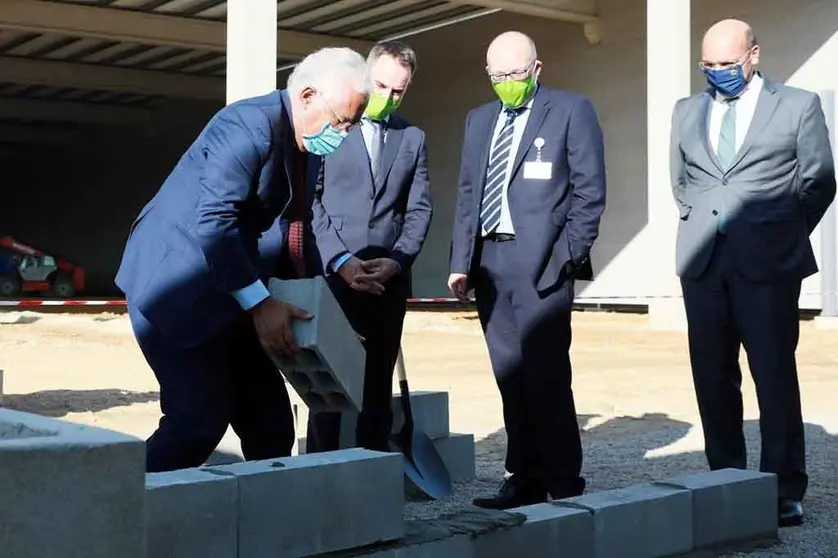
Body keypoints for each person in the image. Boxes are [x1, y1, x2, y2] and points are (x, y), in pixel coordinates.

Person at [114, 47, 372, 473]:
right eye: (341, 120)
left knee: (270, 422)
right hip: (176, 285)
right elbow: (214, 222)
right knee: (196, 421)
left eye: (352, 124)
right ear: (306, 96)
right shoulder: (247, 126)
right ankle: (112, 516)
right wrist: (260, 303)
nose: (343, 133)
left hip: (235, 290)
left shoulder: (309, 149)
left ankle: (268, 530)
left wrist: (329, 322)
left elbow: (296, 234)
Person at [670, 19, 836, 527]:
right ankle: (727, 478)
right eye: (708, 65)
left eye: (727, 63)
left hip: (769, 266)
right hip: (704, 267)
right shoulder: (686, 110)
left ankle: (784, 487)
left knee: (773, 378)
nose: (717, 73)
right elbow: (683, 183)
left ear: (754, 55)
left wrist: (777, 233)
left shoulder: (798, 106)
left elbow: (820, 181)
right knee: (713, 379)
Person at [447, 31, 606, 509]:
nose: (506, 83)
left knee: (548, 375)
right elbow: (469, 193)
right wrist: (461, 262)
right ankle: (524, 476)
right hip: (490, 264)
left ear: (536, 69)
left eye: (514, 74)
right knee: (509, 375)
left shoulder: (571, 111)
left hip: (543, 264)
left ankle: (564, 480)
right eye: (496, 76)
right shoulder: (479, 119)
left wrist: (566, 257)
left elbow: (589, 192)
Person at [305, 40, 433, 454]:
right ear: (364, 76)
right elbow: (312, 201)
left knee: (377, 385)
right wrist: (341, 261)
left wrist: (397, 261)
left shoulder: (412, 138)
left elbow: (419, 209)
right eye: (380, 86)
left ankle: (373, 471)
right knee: (328, 389)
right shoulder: (333, 125)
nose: (387, 97)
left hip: (387, 283)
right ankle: (320, 471)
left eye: (398, 90)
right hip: (335, 278)